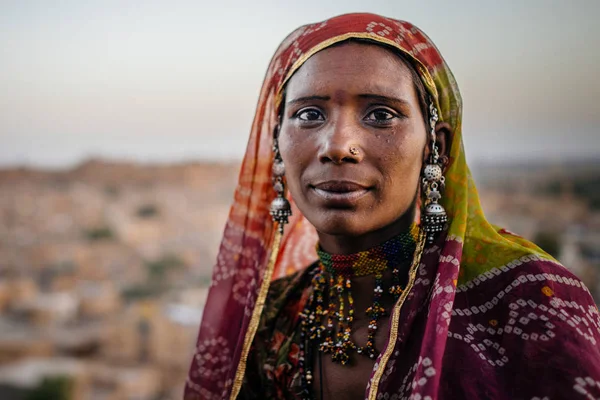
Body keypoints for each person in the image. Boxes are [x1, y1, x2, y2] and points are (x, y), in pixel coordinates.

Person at [185, 13, 600, 400]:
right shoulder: (270, 315)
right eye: (309, 114)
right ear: (277, 146)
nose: (337, 146)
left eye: (381, 114)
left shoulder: (528, 301)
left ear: (434, 147)